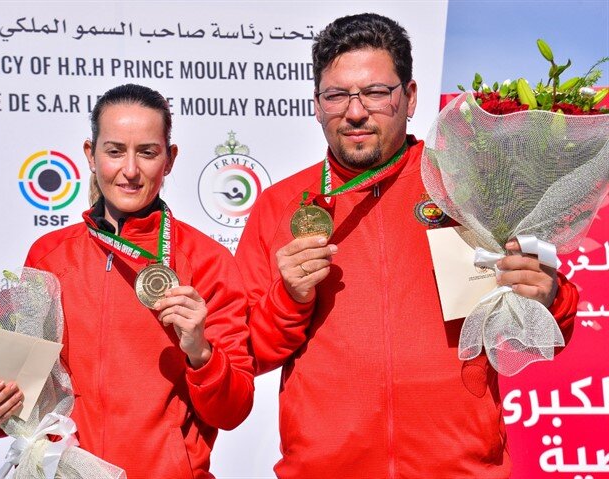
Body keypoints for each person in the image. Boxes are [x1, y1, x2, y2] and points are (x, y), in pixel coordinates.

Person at [235, 13, 578, 479]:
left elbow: (547, 330)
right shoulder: (281, 207)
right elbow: (248, 352)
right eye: (336, 95)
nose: (355, 112)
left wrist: (547, 295)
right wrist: (289, 299)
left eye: (376, 92)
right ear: (317, 105)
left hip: (461, 469)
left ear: (410, 97)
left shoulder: (468, 186)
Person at [0, 83, 254, 478]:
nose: (130, 170)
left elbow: (232, 412)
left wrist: (200, 351)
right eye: (114, 151)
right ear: (90, 156)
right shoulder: (48, 256)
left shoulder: (208, 262)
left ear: (170, 159)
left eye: (147, 152)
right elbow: (23, 388)